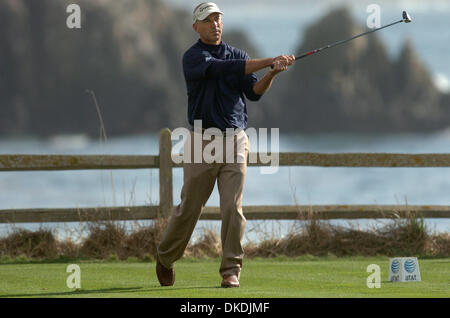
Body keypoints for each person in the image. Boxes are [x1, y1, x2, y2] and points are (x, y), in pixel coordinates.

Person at [156, 2, 295, 288]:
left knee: (233, 207)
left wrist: (271, 74)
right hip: (201, 140)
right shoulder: (193, 57)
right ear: (196, 26)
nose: (215, 24)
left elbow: (253, 93)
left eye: (218, 19)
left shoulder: (238, 54)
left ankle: (231, 270)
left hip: (235, 140)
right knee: (190, 208)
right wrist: (268, 60)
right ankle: (166, 257)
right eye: (208, 20)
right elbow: (223, 69)